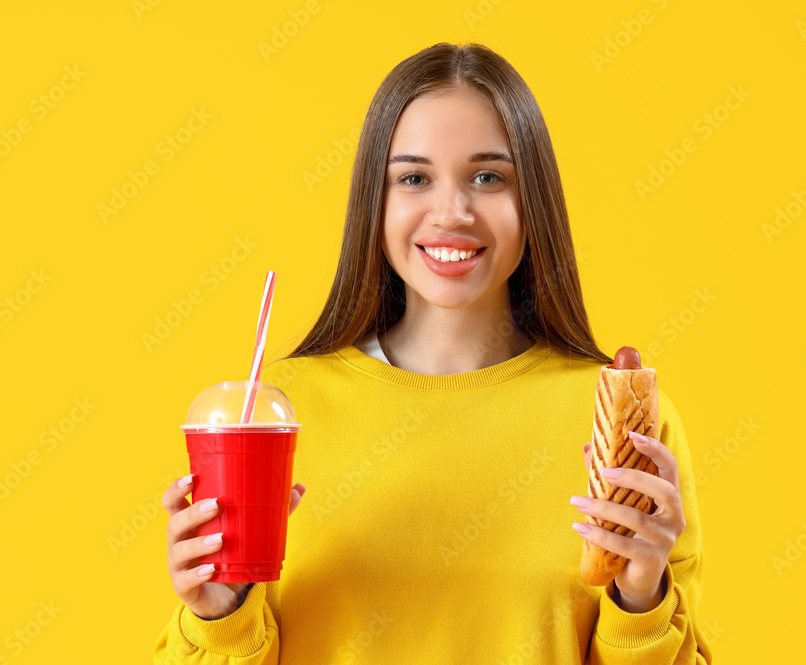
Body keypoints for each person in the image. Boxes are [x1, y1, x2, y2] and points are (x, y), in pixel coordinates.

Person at [155, 42, 711, 664]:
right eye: (414, 177)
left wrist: (642, 599)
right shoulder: (273, 416)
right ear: (376, 199)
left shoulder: (626, 434)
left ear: (535, 202)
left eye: (488, 177)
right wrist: (219, 616)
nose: (452, 212)